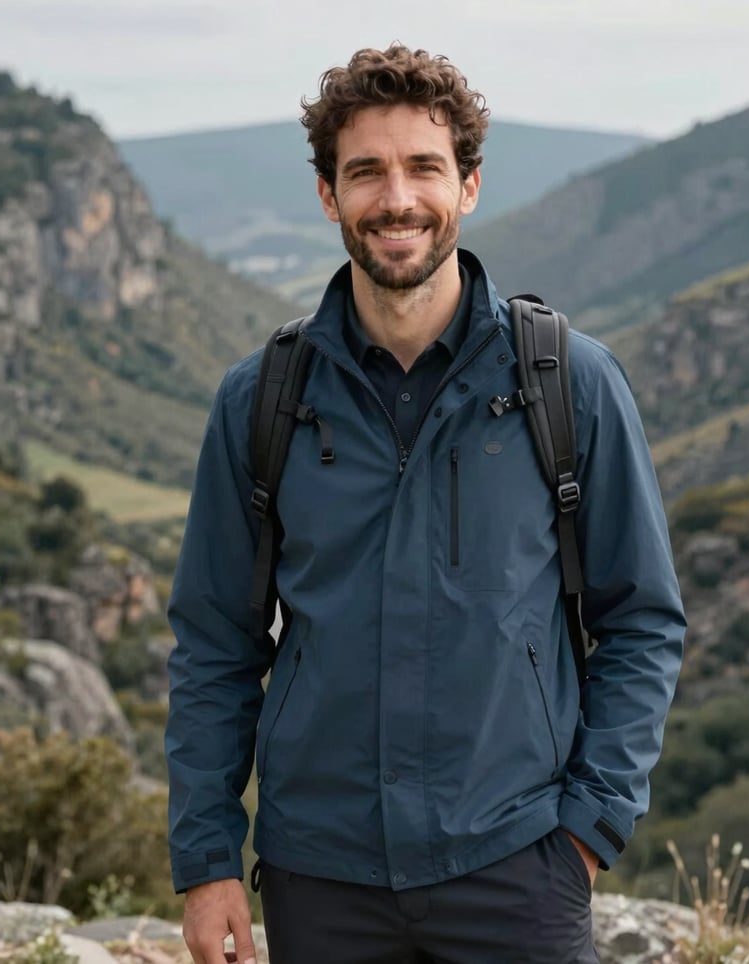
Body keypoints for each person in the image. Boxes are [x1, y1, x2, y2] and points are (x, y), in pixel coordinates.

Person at [165, 44, 686, 964]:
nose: (396, 197)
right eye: (365, 171)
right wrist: (207, 862)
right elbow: (214, 645)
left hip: (519, 867)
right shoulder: (263, 401)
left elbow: (641, 622)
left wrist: (588, 831)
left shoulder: (570, 382)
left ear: (469, 186)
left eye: (424, 168)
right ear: (330, 196)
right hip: (319, 878)